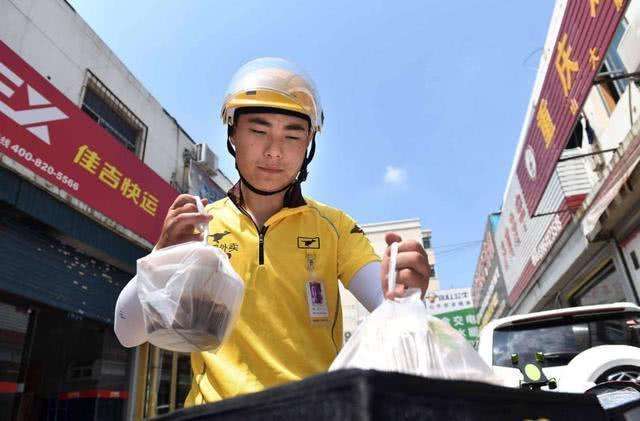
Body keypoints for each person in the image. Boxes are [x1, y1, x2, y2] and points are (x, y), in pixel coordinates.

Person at [114, 57, 430, 405]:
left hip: (313, 412)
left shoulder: (335, 226)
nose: (274, 151)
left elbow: (389, 303)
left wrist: (404, 293)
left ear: (309, 144)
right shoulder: (201, 226)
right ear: (232, 133)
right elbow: (127, 331)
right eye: (259, 131)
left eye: (292, 135)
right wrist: (161, 255)